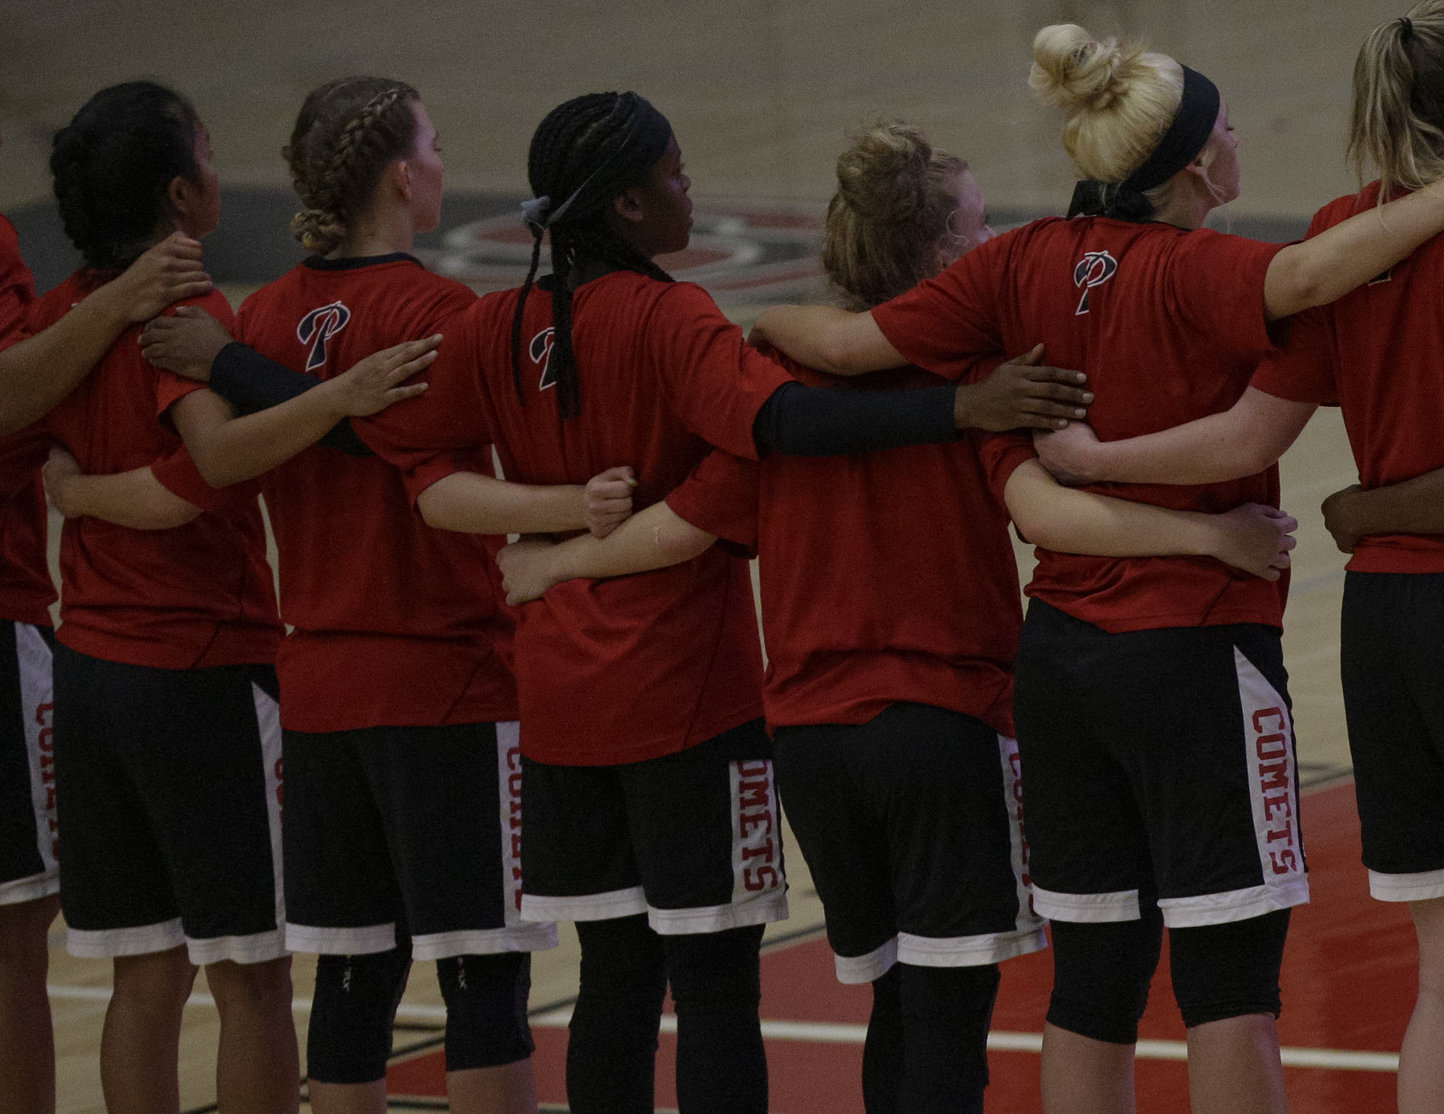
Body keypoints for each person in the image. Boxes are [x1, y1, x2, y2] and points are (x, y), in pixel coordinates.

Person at [745, 22, 1444, 1114]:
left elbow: (846, 348)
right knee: (1229, 984)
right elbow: (1309, 286)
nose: (1240, 142)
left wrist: (744, 319)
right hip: (1195, 658)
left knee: (1093, 982)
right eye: (1227, 128)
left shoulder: (1015, 261)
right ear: (1195, 165)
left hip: (1059, 663)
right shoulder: (1206, 270)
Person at [492, 121, 1295, 1114]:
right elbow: (1043, 509)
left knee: (893, 1008)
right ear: (937, 260)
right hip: (941, 729)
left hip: (813, 746)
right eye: (967, 232)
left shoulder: (777, 392)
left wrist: (555, 559)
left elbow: (681, 528)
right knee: (949, 1022)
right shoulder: (986, 391)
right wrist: (1218, 538)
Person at [353, 90, 1087, 1114]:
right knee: (732, 994)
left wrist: (553, 538)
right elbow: (761, 444)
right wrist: (962, 409)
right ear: (626, 206)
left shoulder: (503, 323)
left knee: (617, 984)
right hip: (707, 705)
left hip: (581, 703)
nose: (691, 185)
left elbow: (422, 473)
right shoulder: (684, 326)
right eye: (674, 172)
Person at [117, 76, 554, 1114]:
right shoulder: (441, 310)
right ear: (404, 174)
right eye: (437, 143)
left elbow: (235, 458)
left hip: (318, 688)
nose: (444, 161)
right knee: (483, 976)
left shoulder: (260, 315)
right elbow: (415, 458)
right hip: (446, 679)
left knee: (355, 980)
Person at [29, 80, 299, 1114]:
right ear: (184, 196)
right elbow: (208, 472)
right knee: (252, 974)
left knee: (146, 972)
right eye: (215, 156)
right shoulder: (185, 311)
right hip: (201, 672)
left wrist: (74, 495)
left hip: (90, 676)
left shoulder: (60, 317)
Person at [0, 116, 211, 1114]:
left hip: (79, 652)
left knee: (126, 959)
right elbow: (200, 475)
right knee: (230, 973)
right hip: (174, 662)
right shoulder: (165, 311)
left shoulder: (41, 292)